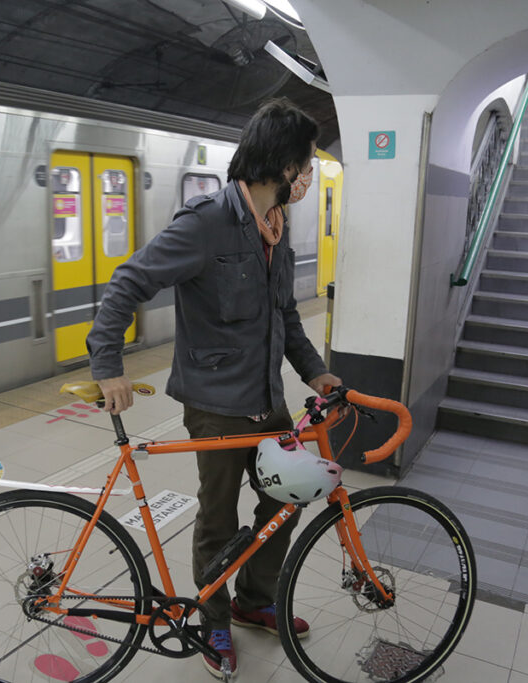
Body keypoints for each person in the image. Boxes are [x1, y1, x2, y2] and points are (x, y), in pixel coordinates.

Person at [86, 98, 342, 679]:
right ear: (282, 165)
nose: (308, 175)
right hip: (216, 407)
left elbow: (285, 314)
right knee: (218, 517)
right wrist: (108, 363)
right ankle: (214, 619)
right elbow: (129, 281)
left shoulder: (275, 225)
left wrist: (314, 371)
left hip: (267, 402)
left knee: (285, 501)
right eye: (305, 163)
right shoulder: (206, 223)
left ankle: (254, 600)